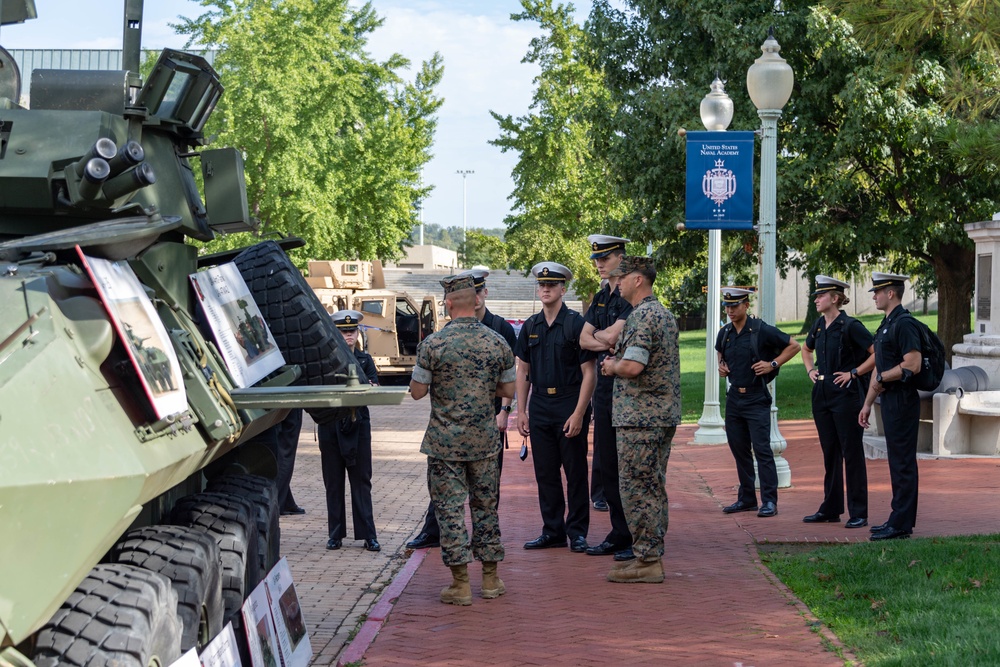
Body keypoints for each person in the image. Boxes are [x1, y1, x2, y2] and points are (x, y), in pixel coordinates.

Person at [410, 275, 516, 605]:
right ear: (477, 301)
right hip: (484, 443)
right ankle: (490, 579)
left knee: (451, 511)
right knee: (486, 508)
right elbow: (509, 390)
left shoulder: (433, 344)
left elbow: (416, 392)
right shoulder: (498, 342)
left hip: (445, 446)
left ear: (450, 303)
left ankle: (460, 584)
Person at [598, 256, 681, 584]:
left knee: (637, 488)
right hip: (657, 415)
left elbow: (632, 367)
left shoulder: (643, 315)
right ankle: (650, 554)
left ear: (638, 280)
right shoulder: (662, 313)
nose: (616, 282)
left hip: (641, 418)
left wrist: (611, 366)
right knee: (652, 485)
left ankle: (647, 560)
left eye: (622, 277)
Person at [515, 262, 596, 553]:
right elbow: (522, 371)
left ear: (563, 289)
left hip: (568, 403)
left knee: (574, 472)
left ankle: (577, 533)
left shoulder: (576, 324)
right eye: (541, 285)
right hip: (539, 406)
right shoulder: (531, 326)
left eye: (551, 285)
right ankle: (552, 531)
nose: (546, 289)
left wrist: (579, 412)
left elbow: (590, 373)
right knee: (545, 473)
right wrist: (521, 411)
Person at [716, 287, 800, 518]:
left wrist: (772, 364)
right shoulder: (725, 333)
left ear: (746, 305)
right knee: (739, 450)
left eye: (735, 305)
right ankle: (747, 498)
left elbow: (794, 346)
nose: (730, 310)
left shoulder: (761, 330)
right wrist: (721, 366)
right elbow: (719, 353)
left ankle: (769, 501)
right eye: (727, 306)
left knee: (762, 450)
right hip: (735, 398)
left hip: (756, 397)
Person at [800, 276, 875, 528]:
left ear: (835, 298)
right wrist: (810, 371)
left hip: (846, 394)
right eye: (816, 296)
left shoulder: (850, 325)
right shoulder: (818, 325)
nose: (816, 299)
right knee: (830, 452)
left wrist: (854, 372)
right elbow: (805, 349)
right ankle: (831, 508)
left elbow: (876, 354)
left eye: (820, 295)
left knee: (851, 452)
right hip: (822, 392)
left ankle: (859, 512)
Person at [579, 235, 635, 561]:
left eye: (605, 257)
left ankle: (632, 535)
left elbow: (613, 334)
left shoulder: (630, 296)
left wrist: (601, 337)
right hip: (604, 390)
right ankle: (618, 532)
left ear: (620, 258)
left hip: (628, 392)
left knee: (628, 466)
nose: (599, 263)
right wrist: (604, 339)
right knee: (608, 465)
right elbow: (585, 339)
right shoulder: (602, 297)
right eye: (596, 258)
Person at [859, 272, 923, 541]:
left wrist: (884, 377)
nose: (873, 296)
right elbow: (880, 368)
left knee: (903, 463)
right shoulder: (886, 325)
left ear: (891, 293)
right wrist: (867, 404)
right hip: (889, 400)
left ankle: (901, 523)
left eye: (877, 291)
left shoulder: (904, 324)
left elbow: (913, 363)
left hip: (903, 400)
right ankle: (897, 518)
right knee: (896, 462)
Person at [320, 310, 380, 552]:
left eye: (352, 331)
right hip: (330, 424)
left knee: (361, 481)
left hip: (358, 424)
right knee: (333, 482)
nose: (348, 335)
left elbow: (374, 385)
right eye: (344, 331)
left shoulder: (364, 360)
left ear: (358, 333)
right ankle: (335, 534)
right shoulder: (324, 360)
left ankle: (368, 535)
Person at [274, 409, 306, 516]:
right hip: (290, 403)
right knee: (286, 452)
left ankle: (287, 501)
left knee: (279, 449)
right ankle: (276, 502)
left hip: (270, 401)